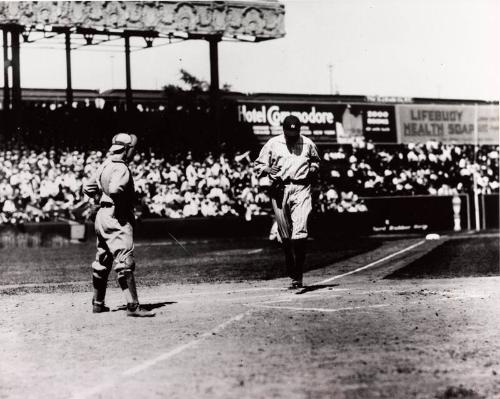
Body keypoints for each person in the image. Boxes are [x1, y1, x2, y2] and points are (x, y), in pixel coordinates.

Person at [83, 133, 155, 317]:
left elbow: (88, 188)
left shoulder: (105, 164)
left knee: (103, 260)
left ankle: (98, 303)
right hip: (117, 216)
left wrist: (101, 199)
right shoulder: (122, 168)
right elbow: (116, 189)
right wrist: (120, 202)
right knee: (125, 261)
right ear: (127, 149)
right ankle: (133, 306)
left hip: (102, 216)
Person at [254, 115, 320, 289]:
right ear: (283, 130)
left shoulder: (307, 143)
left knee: (300, 229)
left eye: (295, 132)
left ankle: (298, 273)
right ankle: (289, 260)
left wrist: (313, 168)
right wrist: (266, 168)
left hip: (301, 187)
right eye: (289, 132)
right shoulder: (273, 143)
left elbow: (315, 160)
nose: (292, 135)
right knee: (285, 235)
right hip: (279, 188)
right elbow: (257, 166)